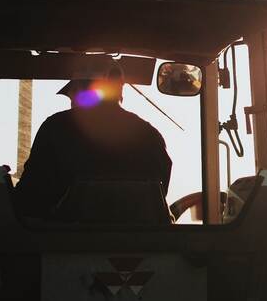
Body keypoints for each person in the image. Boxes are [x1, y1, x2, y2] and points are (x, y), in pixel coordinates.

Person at [13, 71, 172, 219]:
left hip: (62, 242)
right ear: (119, 90)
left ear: (80, 91)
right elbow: (158, 196)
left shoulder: (56, 127)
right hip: (143, 244)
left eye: (72, 95)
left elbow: (29, 198)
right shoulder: (150, 135)